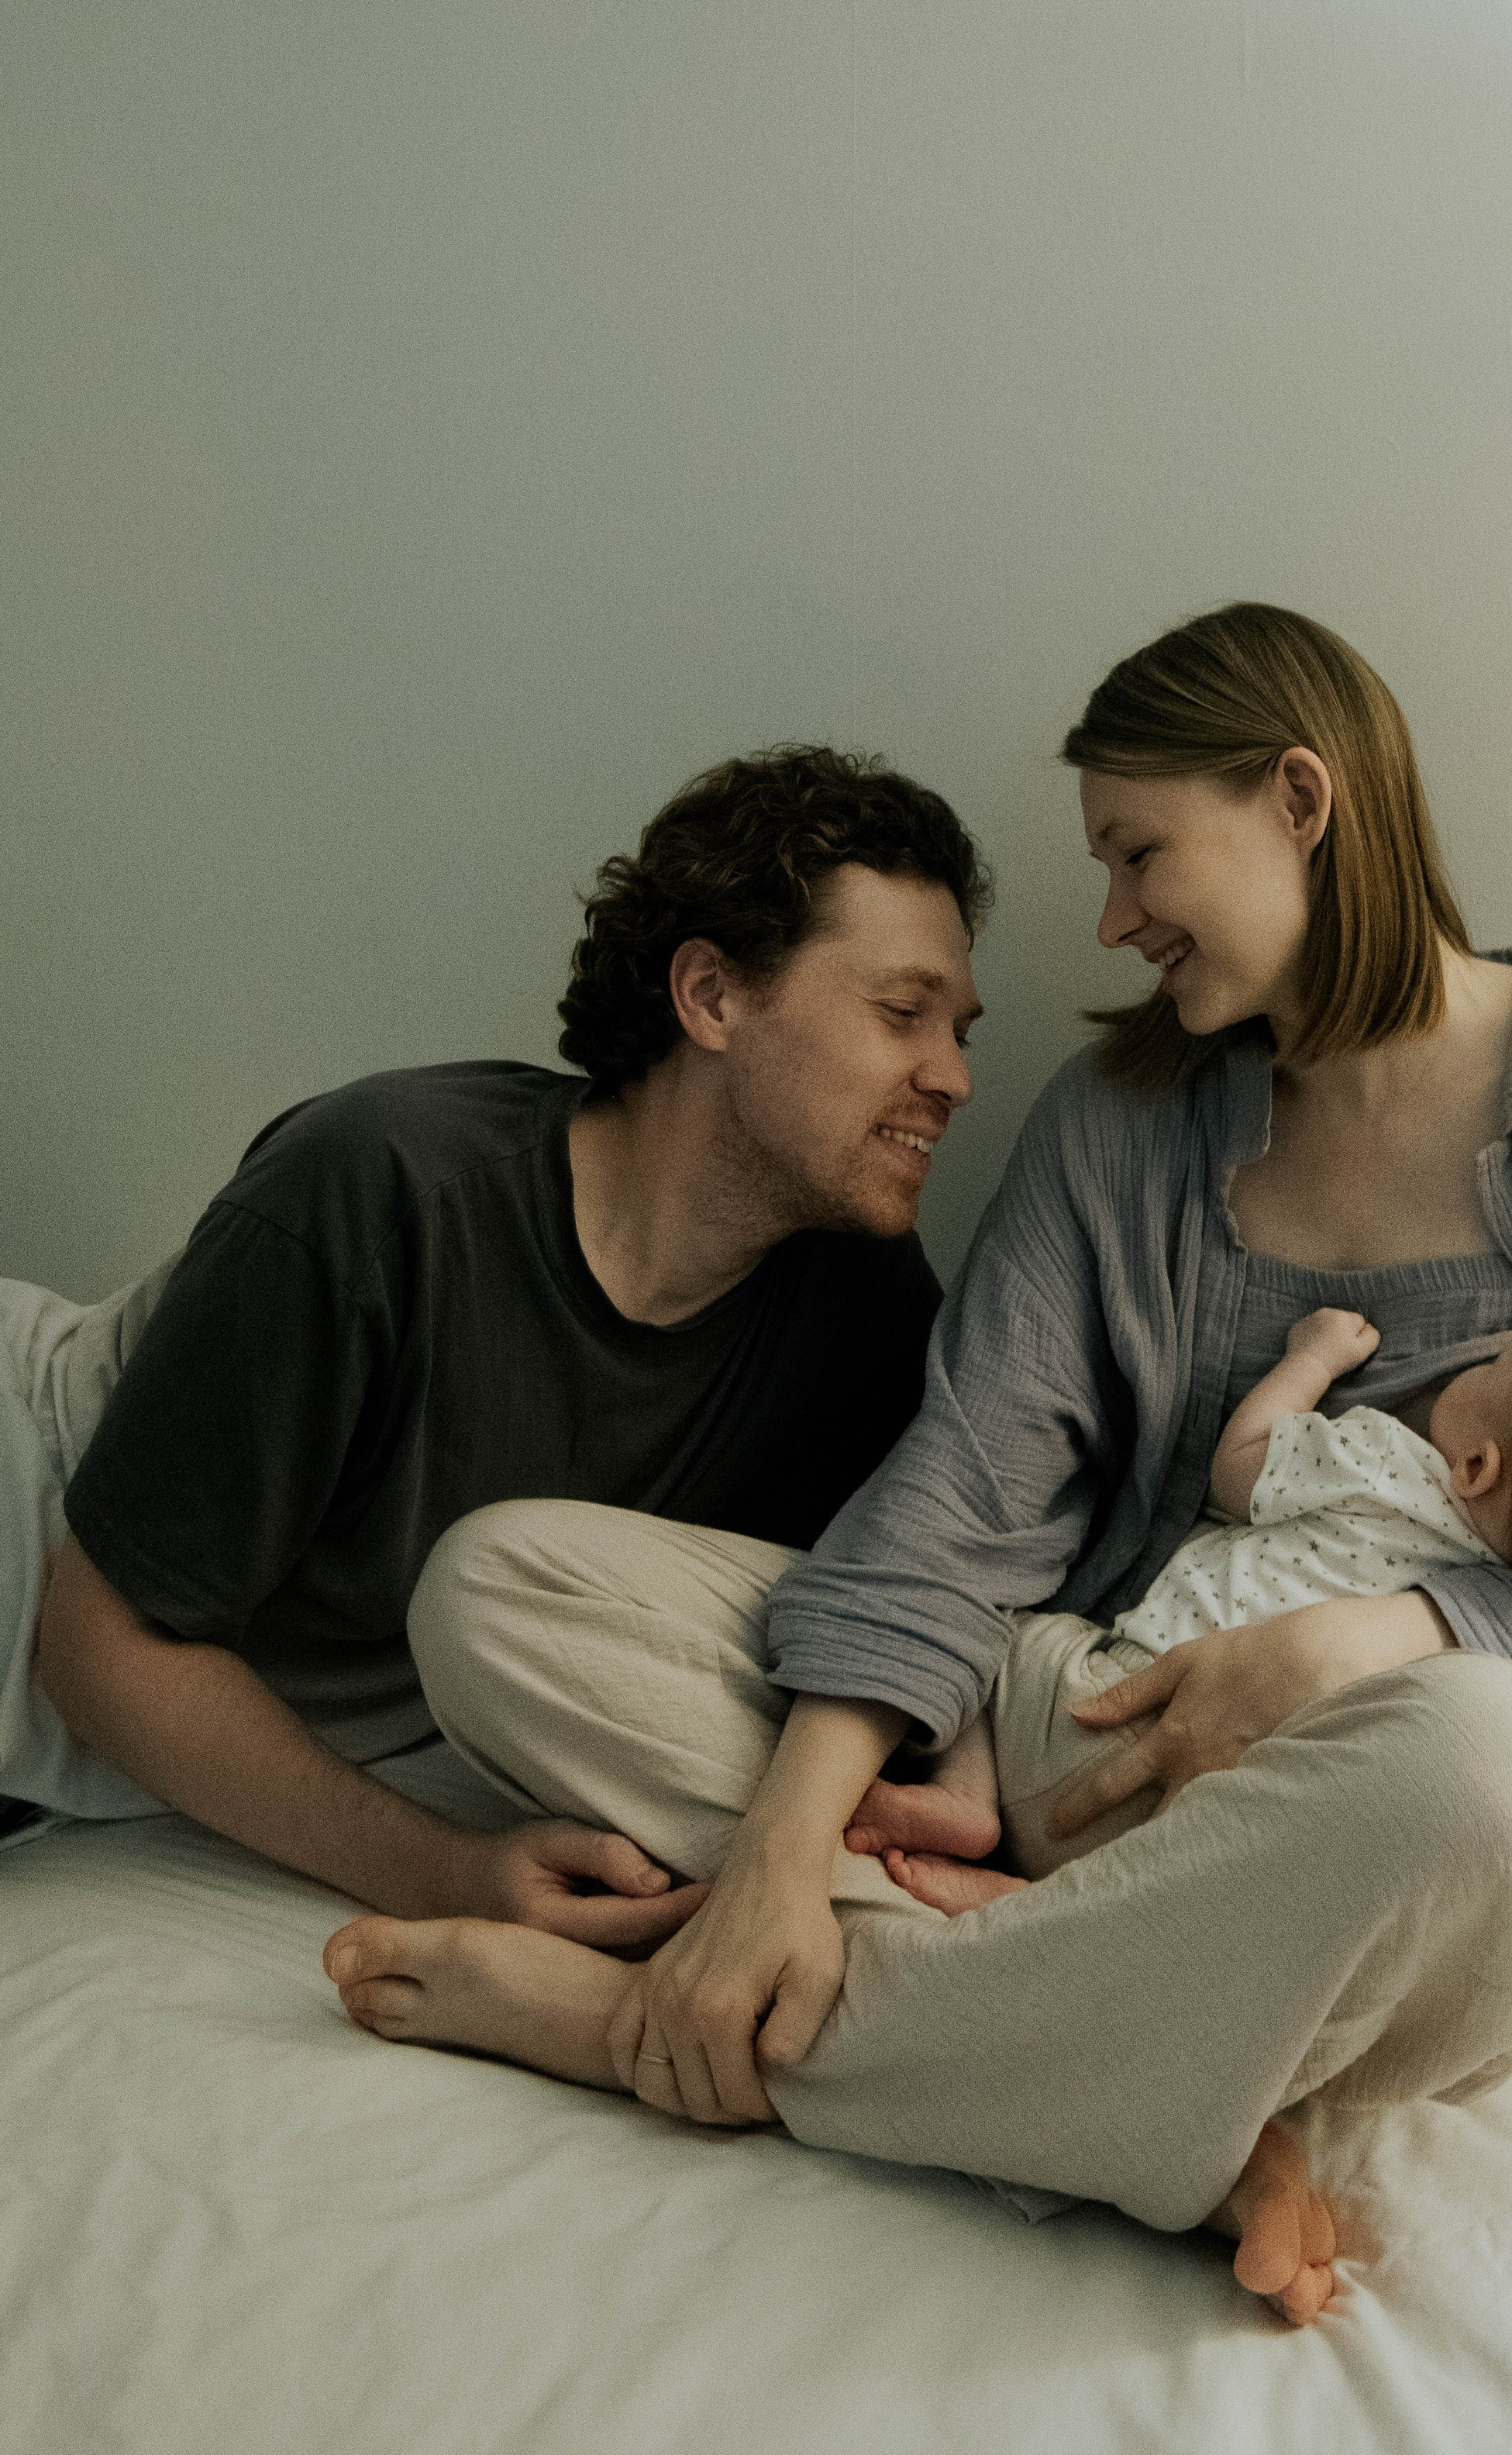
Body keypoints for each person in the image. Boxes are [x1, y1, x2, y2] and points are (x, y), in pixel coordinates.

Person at [321, 602, 1512, 2332]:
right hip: (1063, 1730)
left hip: (1365, 1802)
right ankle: (1133, 2077)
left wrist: (1351, 1646)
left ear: (1299, 801)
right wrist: (787, 1840)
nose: (1113, 916)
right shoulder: (1118, 1123)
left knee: (1506, 1784)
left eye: (1140, 850)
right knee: (499, 1590)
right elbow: (966, 1481)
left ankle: (680, 2037)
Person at [7, 746, 987, 1941]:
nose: (955, 1077)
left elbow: (926, 1598)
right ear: (713, 997)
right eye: (902, 1013)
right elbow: (98, 1643)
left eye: (960, 1030)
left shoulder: (859, 1308)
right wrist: (447, 1875)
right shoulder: (383, 1186)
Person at [844, 1302, 1512, 1910]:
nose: (1476, 1361)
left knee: (1012, 1625)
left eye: (1499, 1368)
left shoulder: (1384, 1466)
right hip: (1209, 1837)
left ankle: (967, 1797)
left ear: (1476, 1468)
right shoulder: (1498, 1654)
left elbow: (1241, 1467)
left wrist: (1308, 1361)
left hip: (1101, 1711)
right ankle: (1038, 1909)